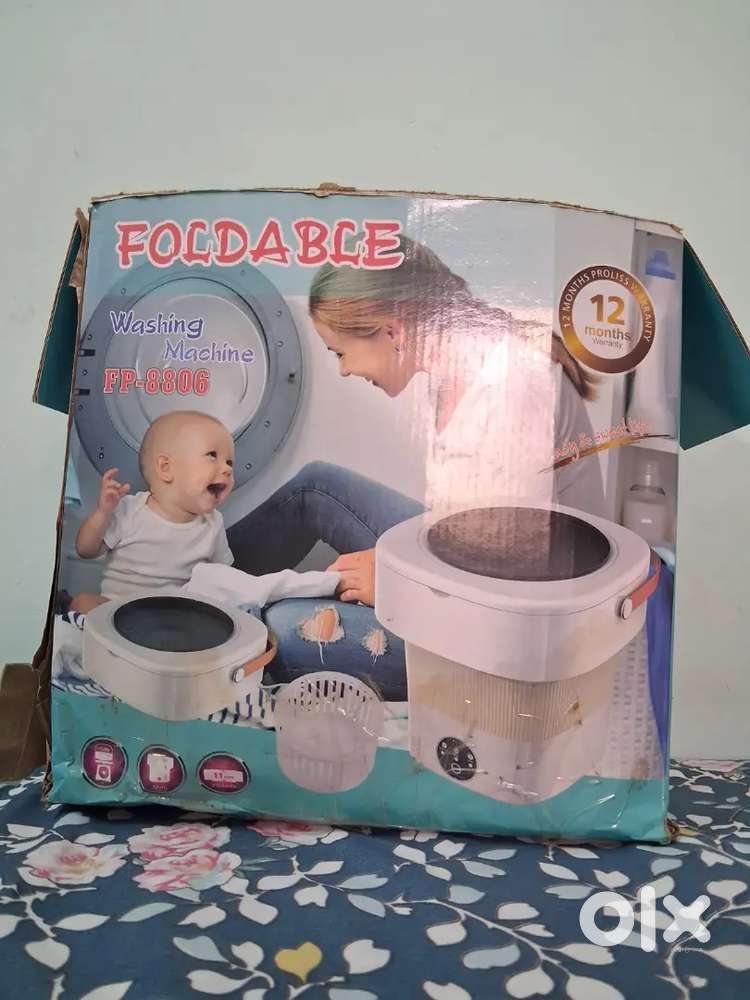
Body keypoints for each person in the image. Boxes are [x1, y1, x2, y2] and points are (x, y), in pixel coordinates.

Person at [227, 235, 606, 694]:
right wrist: (404, 564)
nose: (344, 370)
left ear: (393, 331)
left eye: (340, 353)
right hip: (463, 564)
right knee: (317, 488)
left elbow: (511, 586)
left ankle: (216, 624)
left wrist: (396, 583)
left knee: (284, 627)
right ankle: (200, 583)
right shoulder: (450, 367)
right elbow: (466, 532)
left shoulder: (514, 389)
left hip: (512, 638)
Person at [70, 410, 339, 615]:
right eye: (212, 455)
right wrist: (102, 513)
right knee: (83, 602)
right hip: (119, 609)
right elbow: (86, 549)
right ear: (166, 468)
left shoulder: (212, 524)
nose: (227, 469)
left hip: (175, 614)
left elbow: (224, 579)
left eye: (229, 461)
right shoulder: (131, 510)